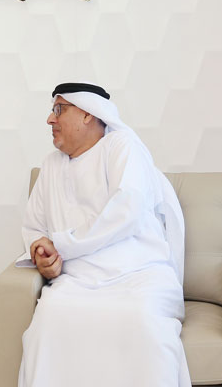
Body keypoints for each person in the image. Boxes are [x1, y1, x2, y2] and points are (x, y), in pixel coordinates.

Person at [19, 82, 190, 387]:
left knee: (140, 320)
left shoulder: (121, 147)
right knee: (49, 320)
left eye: (59, 109)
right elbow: (34, 228)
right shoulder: (51, 165)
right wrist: (40, 251)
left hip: (138, 277)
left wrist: (63, 245)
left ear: (88, 114)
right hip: (76, 282)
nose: (50, 119)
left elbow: (127, 211)